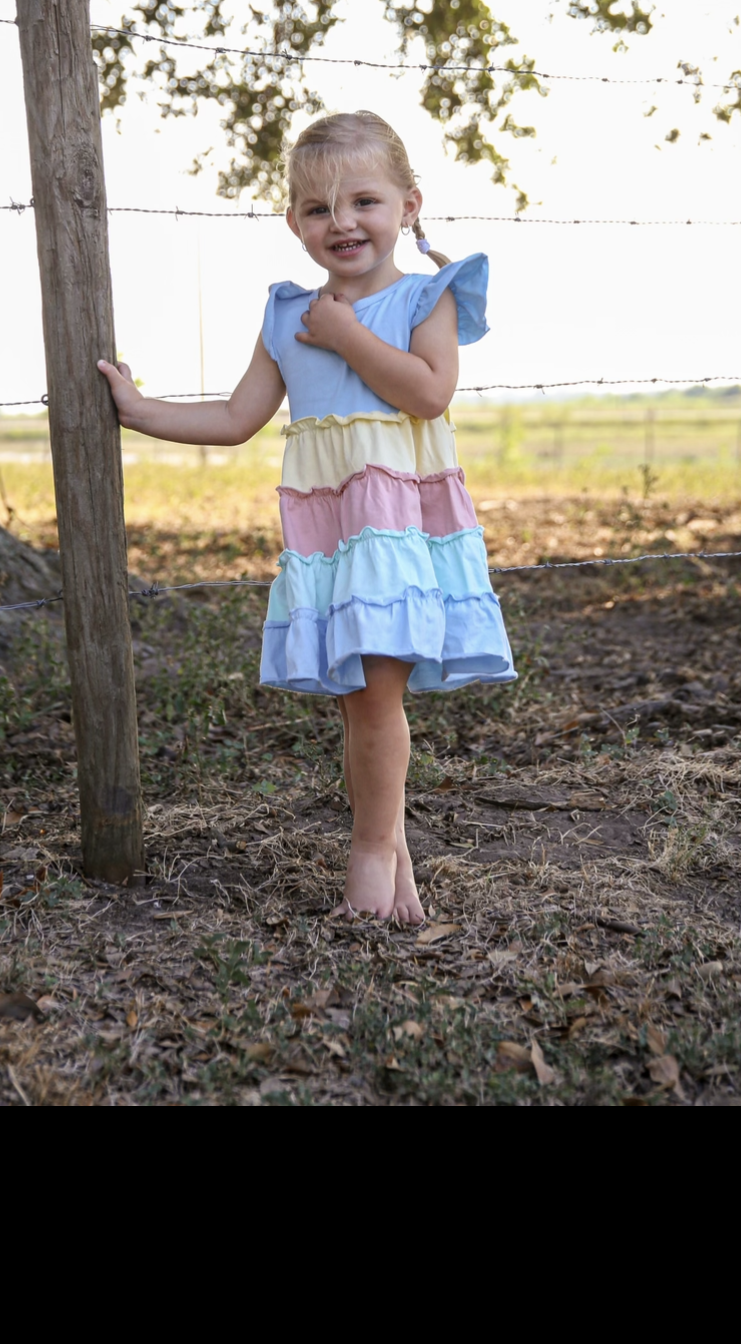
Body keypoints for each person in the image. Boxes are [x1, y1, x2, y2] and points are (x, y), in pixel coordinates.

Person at [98, 110, 514, 923]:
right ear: (294, 223)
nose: (344, 223)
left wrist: (347, 335)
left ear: (409, 205)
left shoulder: (425, 297)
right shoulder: (287, 314)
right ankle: (396, 877)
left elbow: (429, 393)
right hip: (331, 537)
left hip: (399, 530)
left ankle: (371, 860)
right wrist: (139, 410)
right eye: (319, 209)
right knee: (360, 700)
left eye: (365, 201)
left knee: (376, 702)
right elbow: (234, 417)